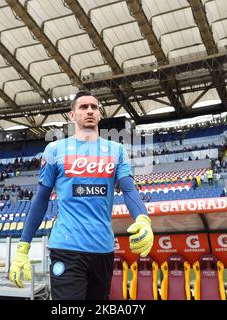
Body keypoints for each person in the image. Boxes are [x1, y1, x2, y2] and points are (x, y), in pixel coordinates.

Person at [9, 90, 154, 300]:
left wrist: (143, 218)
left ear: (100, 115)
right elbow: (41, 199)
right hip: (66, 248)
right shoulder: (55, 150)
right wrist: (23, 246)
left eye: (94, 107)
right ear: (72, 115)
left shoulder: (117, 150)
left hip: (103, 249)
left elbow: (129, 189)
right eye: (83, 107)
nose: (89, 111)